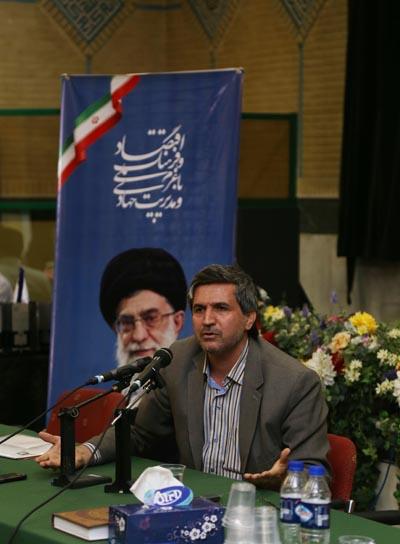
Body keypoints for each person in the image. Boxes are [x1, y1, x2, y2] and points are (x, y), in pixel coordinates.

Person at [37, 264, 329, 489]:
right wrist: (85, 451)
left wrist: (284, 480)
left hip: (255, 510)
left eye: (221, 308)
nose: (208, 320)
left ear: (249, 318)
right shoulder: (177, 359)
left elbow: (317, 475)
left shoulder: (294, 382)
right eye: (199, 310)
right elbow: (140, 433)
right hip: (192, 502)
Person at [98, 247, 187, 366]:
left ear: (177, 322)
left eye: (151, 318)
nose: (139, 336)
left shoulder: (201, 378)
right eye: (127, 322)